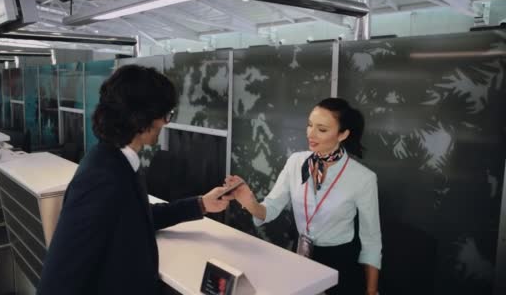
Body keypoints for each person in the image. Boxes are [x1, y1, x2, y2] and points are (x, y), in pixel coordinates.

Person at [37, 65, 232, 295]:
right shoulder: (102, 178)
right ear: (141, 117)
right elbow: (58, 280)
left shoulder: (118, 161)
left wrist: (200, 204)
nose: (165, 123)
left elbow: (140, 216)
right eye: (164, 114)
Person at [226, 98, 382, 295]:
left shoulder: (363, 178)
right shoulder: (295, 162)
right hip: (300, 257)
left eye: (322, 129)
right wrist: (249, 202)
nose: (311, 134)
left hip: (339, 263)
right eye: (309, 125)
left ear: (343, 134)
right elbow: (271, 209)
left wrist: (371, 291)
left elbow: (371, 241)